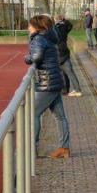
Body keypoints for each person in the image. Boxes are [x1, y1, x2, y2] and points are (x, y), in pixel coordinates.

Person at [25, 15, 71, 159]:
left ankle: (33, 150)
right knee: (60, 117)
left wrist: (27, 58)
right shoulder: (50, 37)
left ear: (37, 27)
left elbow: (36, 57)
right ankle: (64, 148)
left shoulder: (38, 39)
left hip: (47, 83)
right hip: (55, 81)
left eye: (30, 26)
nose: (28, 28)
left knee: (33, 114)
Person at [54, 14, 82, 97]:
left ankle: (69, 89)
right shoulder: (65, 27)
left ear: (56, 20)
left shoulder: (55, 28)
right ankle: (70, 89)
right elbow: (70, 25)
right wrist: (64, 20)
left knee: (65, 72)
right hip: (64, 51)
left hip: (60, 51)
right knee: (68, 72)